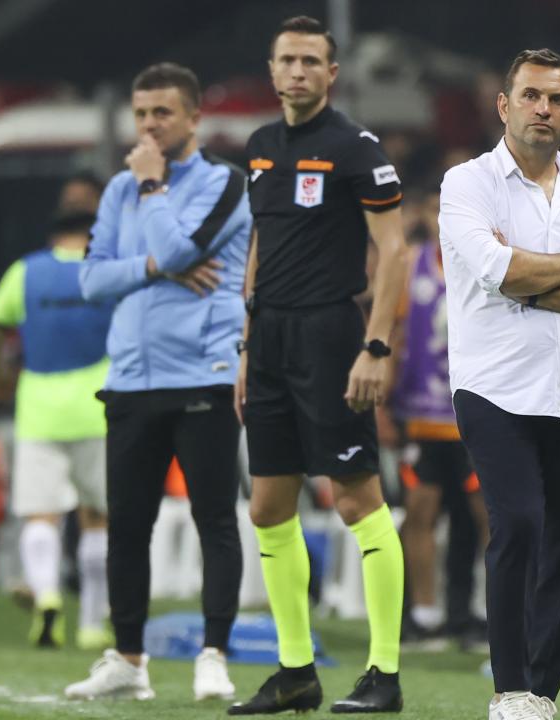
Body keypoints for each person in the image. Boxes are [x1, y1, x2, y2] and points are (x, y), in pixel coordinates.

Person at [440, 48, 560, 720]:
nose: (542, 109)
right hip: (492, 384)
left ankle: (541, 695)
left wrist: (531, 279)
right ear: (504, 105)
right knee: (520, 523)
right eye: (530, 96)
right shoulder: (466, 183)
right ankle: (509, 688)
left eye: (556, 100)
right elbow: (496, 271)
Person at [230, 16, 410, 714]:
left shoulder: (355, 147)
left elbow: (393, 251)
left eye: (311, 60)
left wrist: (375, 346)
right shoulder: (259, 147)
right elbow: (260, 246)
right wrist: (248, 345)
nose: (298, 71)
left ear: (332, 73)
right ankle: (296, 671)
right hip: (270, 340)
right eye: (288, 60)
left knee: (357, 499)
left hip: (331, 336)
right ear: (272, 70)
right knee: (269, 507)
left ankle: (384, 673)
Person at [64, 62, 250, 703]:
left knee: (213, 519)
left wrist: (151, 190)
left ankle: (213, 655)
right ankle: (128, 661)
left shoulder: (225, 183)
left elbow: (178, 251)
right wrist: (151, 266)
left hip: (203, 372)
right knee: (127, 525)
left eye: (162, 113)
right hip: (131, 378)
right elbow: (91, 280)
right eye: (141, 114)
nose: (148, 126)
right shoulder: (118, 188)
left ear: (194, 117)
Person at [0, 206, 114, 650]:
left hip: (38, 407)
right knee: (98, 515)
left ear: (54, 236)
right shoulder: (109, 269)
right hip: (99, 404)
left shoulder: (26, 271)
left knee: (41, 512)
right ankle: (93, 622)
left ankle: (47, 596)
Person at [392, 191, 489, 648]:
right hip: (422, 417)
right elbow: (391, 335)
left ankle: (484, 613)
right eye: (434, 208)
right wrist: (383, 406)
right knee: (420, 511)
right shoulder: (410, 265)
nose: (442, 217)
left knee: (487, 515)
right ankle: (425, 615)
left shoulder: (488, 262)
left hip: (477, 414)